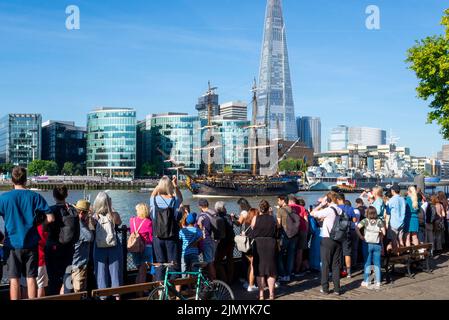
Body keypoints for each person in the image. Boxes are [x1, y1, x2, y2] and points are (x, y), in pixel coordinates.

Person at [0, 166, 54, 300]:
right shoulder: (35, 196)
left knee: (14, 280)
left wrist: (1, 236)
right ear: (26, 180)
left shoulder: (4, 198)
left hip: (12, 244)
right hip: (31, 243)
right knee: (31, 278)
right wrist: (38, 225)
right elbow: (51, 218)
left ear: (11, 180)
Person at [45, 186, 80, 296]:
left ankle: (53, 297)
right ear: (67, 194)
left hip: (53, 248)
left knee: (53, 278)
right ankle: (68, 295)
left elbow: (45, 228)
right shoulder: (72, 210)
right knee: (68, 276)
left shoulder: (50, 210)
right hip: (69, 248)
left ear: (54, 195)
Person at [150, 176, 183, 282]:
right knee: (173, 263)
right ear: (169, 186)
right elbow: (181, 198)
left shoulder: (154, 200)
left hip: (157, 237)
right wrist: (175, 186)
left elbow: (152, 194)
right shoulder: (173, 201)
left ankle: (161, 291)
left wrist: (158, 187)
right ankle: (173, 289)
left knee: (160, 264)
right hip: (171, 237)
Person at [310, 192, 342, 296]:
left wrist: (321, 205)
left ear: (328, 200)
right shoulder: (340, 210)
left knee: (325, 264)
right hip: (338, 239)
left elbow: (312, 213)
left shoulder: (328, 210)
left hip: (327, 239)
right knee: (336, 265)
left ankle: (325, 288)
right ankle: (337, 289)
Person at [92, 192, 123, 299]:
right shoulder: (114, 215)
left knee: (100, 273)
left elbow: (90, 228)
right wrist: (111, 208)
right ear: (108, 202)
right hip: (114, 246)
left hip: (99, 246)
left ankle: (103, 297)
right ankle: (117, 296)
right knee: (115, 273)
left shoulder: (94, 217)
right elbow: (119, 222)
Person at [250, 200, 277, 300]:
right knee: (271, 270)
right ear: (268, 208)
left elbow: (253, 228)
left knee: (259, 270)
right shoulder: (272, 218)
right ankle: (271, 294)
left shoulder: (255, 218)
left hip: (259, 244)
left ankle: (261, 295)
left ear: (259, 208)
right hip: (270, 243)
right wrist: (271, 213)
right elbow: (277, 227)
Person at [356, 206, 386, 289]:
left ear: (367, 213)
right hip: (377, 244)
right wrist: (380, 235)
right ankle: (378, 281)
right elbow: (384, 232)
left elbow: (357, 228)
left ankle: (366, 281)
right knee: (377, 263)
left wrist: (361, 236)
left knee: (367, 263)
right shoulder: (379, 221)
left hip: (367, 244)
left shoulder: (365, 221)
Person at [72, 200, 95, 293]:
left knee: (67, 288)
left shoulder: (71, 221)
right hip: (79, 264)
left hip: (70, 262)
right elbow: (90, 237)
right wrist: (88, 224)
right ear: (82, 213)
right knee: (80, 291)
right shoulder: (80, 225)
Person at [129, 203, 153, 285]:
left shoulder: (132, 220)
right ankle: (141, 292)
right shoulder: (148, 222)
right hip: (146, 248)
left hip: (135, 248)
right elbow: (151, 237)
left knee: (140, 271)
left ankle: (138, 290)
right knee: (143, 272)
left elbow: (131, 232)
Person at [276, 195, 298, 282]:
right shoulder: (293, 209)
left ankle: (282, 274)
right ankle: (288, 274)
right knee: (291, 255)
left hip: (285, 235)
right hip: (294, 235)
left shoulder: (280, 210)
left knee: (279, 255)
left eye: (278, 200)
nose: (278, 202)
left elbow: (278, 225)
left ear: (282, 200)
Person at [197, 199, 219, 281]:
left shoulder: (202, 216)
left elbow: (199, 229)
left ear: (200, 206)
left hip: (205, 241)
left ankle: (213, 282)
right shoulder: (213, 213)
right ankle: (214, 281)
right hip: (214, 240)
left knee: (209, 263)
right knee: (212, 262)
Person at [214, 201, 235, 285]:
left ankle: (224, 281)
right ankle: (230, 280)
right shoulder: (228, 217)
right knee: (230, 260)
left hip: (222, 242)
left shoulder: (217, 217)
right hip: (230, 241)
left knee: (217, 262)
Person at [336, 194, 356, 278]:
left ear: (338, 199)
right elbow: (354, 220)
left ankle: (338, 271)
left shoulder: (336, 208)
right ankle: (349, 272)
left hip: (337, 233)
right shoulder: (350, 208)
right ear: (344, 199)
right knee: (347, 253)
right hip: (347, 232)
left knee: (338, 253)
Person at [288, 195, 308, 276]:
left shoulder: (288, 207)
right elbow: (306, 221)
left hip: (291, 231)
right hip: (302, 230)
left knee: (291, 251)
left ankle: (290, 269)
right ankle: (297, 270)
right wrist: (306, 231)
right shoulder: (302, 208)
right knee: (300, 251)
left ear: (290, 201)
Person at [386, 184, 406, 251]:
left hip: (394, 223)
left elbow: (388, 212)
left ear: (393, 191)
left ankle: (396, 254)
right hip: (402, 222)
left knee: (394, 240)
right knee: (400, 239)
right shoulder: (403, 199)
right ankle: (402, 252)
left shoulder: (391, 200)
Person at [37, 224, 49, 298]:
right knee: (40, 285)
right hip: (40, 259)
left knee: (25, 286)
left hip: (24, 259)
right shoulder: (42, 226)